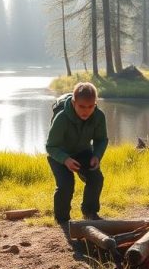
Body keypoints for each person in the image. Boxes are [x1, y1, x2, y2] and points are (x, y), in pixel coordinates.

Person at [46, 82, 108, 224]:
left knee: (96, 178)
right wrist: (65, 159)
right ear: (74, 103)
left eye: (90, 106)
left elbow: (101, 140)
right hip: (59, 154)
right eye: (81, 106)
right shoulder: (61, 118)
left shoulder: (99, 116)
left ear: (95, 103)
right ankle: (62, 220)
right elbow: (50, 146)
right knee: (66, 184)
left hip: (83, 152)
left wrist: (96, 156)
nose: (86, 111)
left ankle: (90, 212)